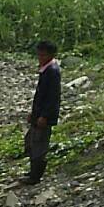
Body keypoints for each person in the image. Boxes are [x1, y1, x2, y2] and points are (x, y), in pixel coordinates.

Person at [24, 39, 61, 185]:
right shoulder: (46, 70)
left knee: (39, 145)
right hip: (39, 114)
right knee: (31, 141)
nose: (40, 58)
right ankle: (33, 171)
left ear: (51, 55)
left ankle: (35, 176)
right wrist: (34, 114)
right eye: (39, 55)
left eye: (43, 55)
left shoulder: (52, 71)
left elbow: (52, 97)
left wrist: (44, 116)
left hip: (44, 116)